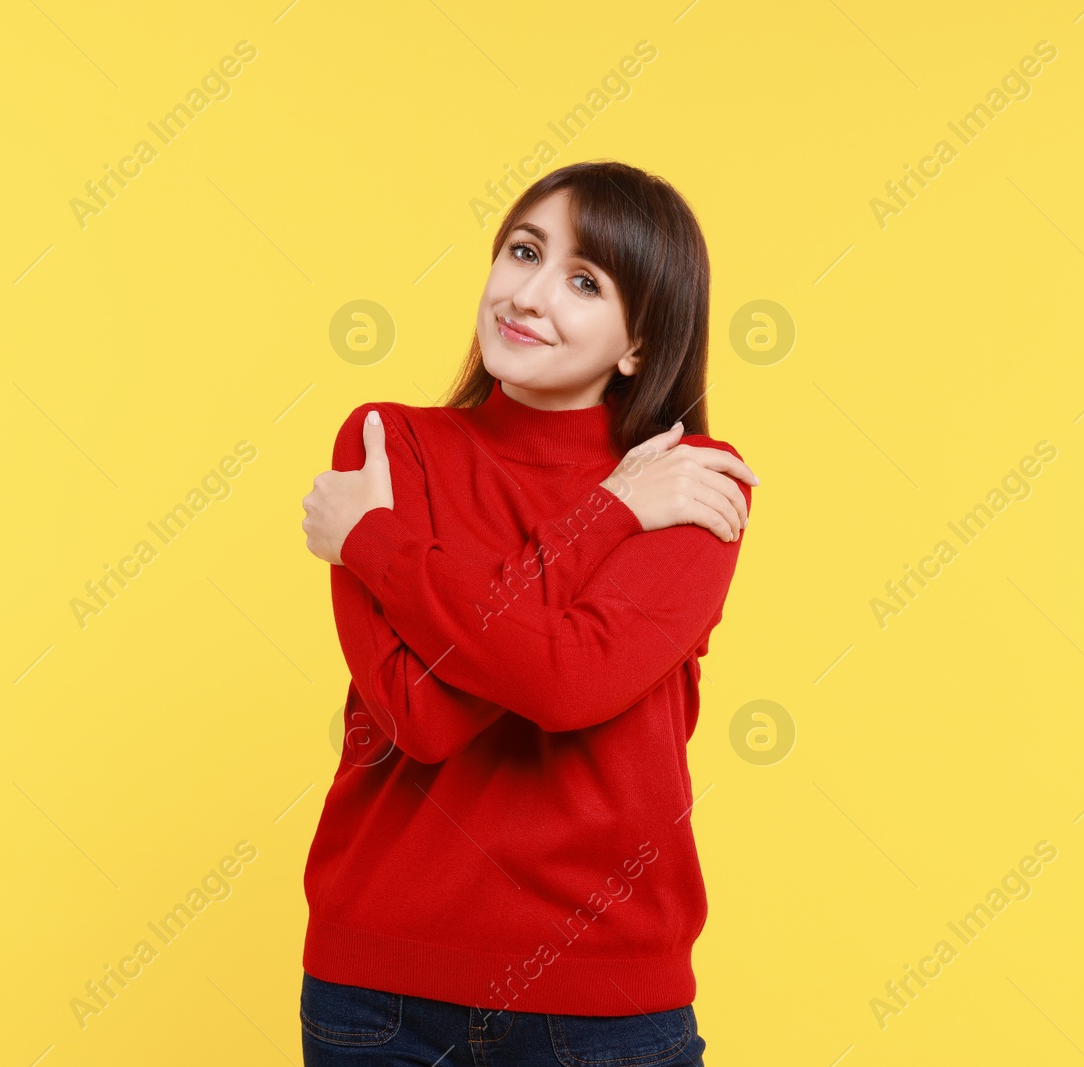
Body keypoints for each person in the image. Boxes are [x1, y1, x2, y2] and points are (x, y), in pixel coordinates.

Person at [298, 159, 759, 1066]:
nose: (529, 293)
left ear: (638, 343)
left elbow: (566, 681)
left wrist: (377, 546)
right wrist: (611, 518)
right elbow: (419, 714)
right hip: (381, 993)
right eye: (522, 251)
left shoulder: (688, 477)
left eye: (585, 281)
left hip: (607, 999)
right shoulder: (392, 443)